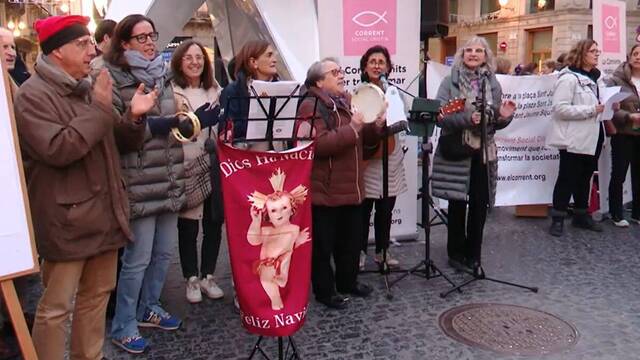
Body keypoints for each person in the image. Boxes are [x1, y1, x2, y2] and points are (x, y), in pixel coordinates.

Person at [14, 15, 155, 360]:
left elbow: (115, 141)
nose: (92, 50)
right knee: (57, 306)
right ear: (57, 51)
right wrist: (101, 107)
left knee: (96, 297)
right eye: (82, 44)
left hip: (105, 212)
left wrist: (134, 118)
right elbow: (59, 149)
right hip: (68, 218)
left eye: (90, 43)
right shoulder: (33, 95)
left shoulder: (90, 86)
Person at [104, 14, 217, 354]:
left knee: (163, 253)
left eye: (152, 36)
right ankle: (123, 324)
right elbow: (118, 134)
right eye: (142, 38)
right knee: (136, 260)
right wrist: (166, 120)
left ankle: (148, 306)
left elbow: (171, 127)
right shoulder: (112, 77)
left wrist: (195, 121)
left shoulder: (162, 77)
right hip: (139, 180)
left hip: (169, 176)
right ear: (124, 43)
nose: (151, 42)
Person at [297, 58, 383, 309]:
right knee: (323, 247)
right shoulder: (310, 105)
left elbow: (362, 140)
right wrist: (353, 128)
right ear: (319, 81)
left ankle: (348, 282)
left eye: (341, 70)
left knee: (351, 242)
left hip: (352, 188)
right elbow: (317, 146)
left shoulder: (347, 101)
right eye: (334, 72)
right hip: (326, 190)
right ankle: (325, 291)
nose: (342, 75)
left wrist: (374, 127)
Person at [431, 36, 516, 273]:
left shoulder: (492, 83)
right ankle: (455, 253)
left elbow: (495, 122)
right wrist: (469, 118)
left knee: (479, 204)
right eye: (469, 50)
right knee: (457, 203)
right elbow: (440, 116)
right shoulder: (450, 82)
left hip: (483, 153)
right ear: (462, 55)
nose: (473, 54)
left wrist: (504, 117)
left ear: (486, 56)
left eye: (479, 51)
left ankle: (474, 255)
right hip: (458, 149)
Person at [170, 39, 225, 304]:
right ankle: (190, 277)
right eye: (189, 58)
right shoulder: (172, 92)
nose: (195, 62)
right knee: (188, 225)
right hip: (187, 164)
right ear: (180, 62)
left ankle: (208, 275)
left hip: (213, 162)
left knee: (214, 222)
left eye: (199, 58)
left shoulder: (216, 89)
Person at [547, 39, 605, 236]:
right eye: (593, 51)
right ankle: (558, 218)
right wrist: (591, 110)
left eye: (598, 51)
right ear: (581, 53)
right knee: (567, 178)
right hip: (573, 138)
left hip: (593, 136)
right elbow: (559, 108)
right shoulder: (569, 78)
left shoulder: (597, 78)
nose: (597, 54)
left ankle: (581, 215)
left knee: (585, 178)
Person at [357, 45, 407, 269]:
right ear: (365, 67)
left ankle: (382, 252)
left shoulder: (394, 92)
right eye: (373, 61)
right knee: (362, 212)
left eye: (381, 62)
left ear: (388, 67)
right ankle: (358, 254)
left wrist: (392, 119)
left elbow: (402, 123)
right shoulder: (359, 93)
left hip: (391, 158)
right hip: (368, 159)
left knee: (385, 211)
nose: (377, 65)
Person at [246, 169, 310, 310]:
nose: (279, 214)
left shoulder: (293, 229)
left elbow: (291, 246)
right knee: (267, 274)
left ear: (292, 209)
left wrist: (298, 241)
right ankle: (276, 299)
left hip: (283, 263)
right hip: (267, 264)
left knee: (281, 263)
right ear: (267, 214)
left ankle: (281, 284)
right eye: (273, 210)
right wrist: (256, 222)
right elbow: (253, 240)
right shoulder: (267, 230)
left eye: (284, 208)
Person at [605, 44, 640, 226]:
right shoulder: (616, 80)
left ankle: (637, 213)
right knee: (619, 174)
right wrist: (628, 116)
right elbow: (608, 106)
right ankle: (616, 213)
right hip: (623, 133)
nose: (638, 57)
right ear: (629, 56)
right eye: (635, 54)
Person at [219, 40, 277, 149]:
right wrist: (259, 112)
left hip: (277, 157)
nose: (274, 60)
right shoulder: (232, 91)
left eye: (274, 55)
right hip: (246, 158)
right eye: (269, 55)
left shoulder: (283, 88)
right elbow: (226, 130)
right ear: (253, 62)